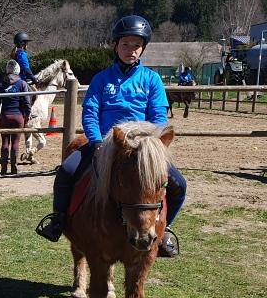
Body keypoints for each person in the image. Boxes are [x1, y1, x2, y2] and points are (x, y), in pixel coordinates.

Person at [35, 15, 186, 257]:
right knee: (67, 171)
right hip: (105, 144)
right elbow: (91, 112)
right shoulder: (102, 79)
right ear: (116, 46)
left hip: (142, 148)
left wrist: (150, 145)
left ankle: (164, 228)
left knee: (179, 184)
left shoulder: (152, 80)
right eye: (125, 44)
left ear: (143, 48)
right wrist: (96, 142)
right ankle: (59, 220)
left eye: (136, 45)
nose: (131, 50)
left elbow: (158, 117)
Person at [0, 59, 32, 176]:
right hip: (18, 116)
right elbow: (27, 101)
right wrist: (28, 114)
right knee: (16, 142)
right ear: (17, 70)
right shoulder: (22, 84)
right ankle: (14, 169)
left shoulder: (0, 84)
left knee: (5, 142)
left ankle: (3, 170)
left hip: (5, 116)